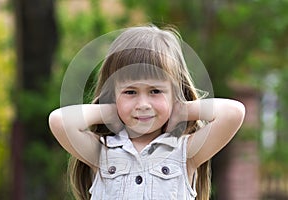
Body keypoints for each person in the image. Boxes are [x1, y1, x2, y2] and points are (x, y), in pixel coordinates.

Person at [48, 25, 245, 200]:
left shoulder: (186, 152)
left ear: (174, 93)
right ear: (114, 94)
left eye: (155, 91)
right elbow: (59, 120)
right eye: (130, 92)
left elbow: (233, 113)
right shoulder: (101, 153)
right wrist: (108, 111)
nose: (143, 104)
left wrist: (181, 109)